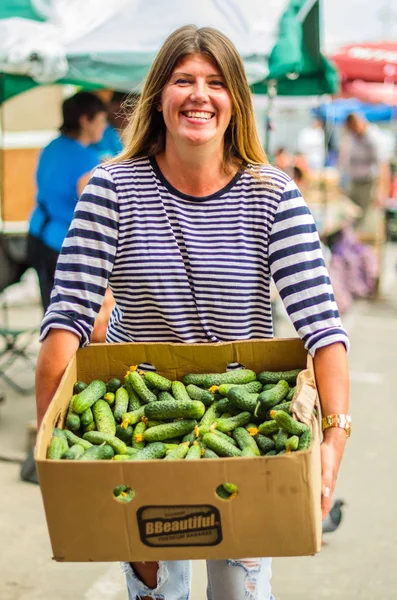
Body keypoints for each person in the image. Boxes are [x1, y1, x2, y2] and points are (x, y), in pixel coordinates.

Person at [35, 25, 350, 600]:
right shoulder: (111, 189)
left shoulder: (273, 194)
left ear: (236, 100)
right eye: (183, 80)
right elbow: (67, 321)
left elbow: (323, 329)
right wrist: (55, 455)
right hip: (142, 419)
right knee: (158, 589)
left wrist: (332, 442)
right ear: (160, 95)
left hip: (242, 409)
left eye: (215, 82)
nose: (199, 95)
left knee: (239, 589)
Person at [27, 91, 107, 311]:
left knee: (49, 309)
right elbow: (93, 208)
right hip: (61, 244)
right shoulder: (86, 158)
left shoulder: (52, 146)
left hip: (37, 234)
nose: (104, 125)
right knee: (67, 314)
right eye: (101, 119)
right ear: (85, 120)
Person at [341, 112, 388, 227]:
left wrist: (382, 190)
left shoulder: (373, 136)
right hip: (354, 182)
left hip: (369, 183)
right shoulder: (352, 136)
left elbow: (383, 164)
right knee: (351, 215)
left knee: (366, 219)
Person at [91, 91, 133, 160]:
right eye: (118, 111)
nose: (124, 116)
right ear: (108, 107)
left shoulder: (115, 134)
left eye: (129, 112)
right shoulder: (99, 129)